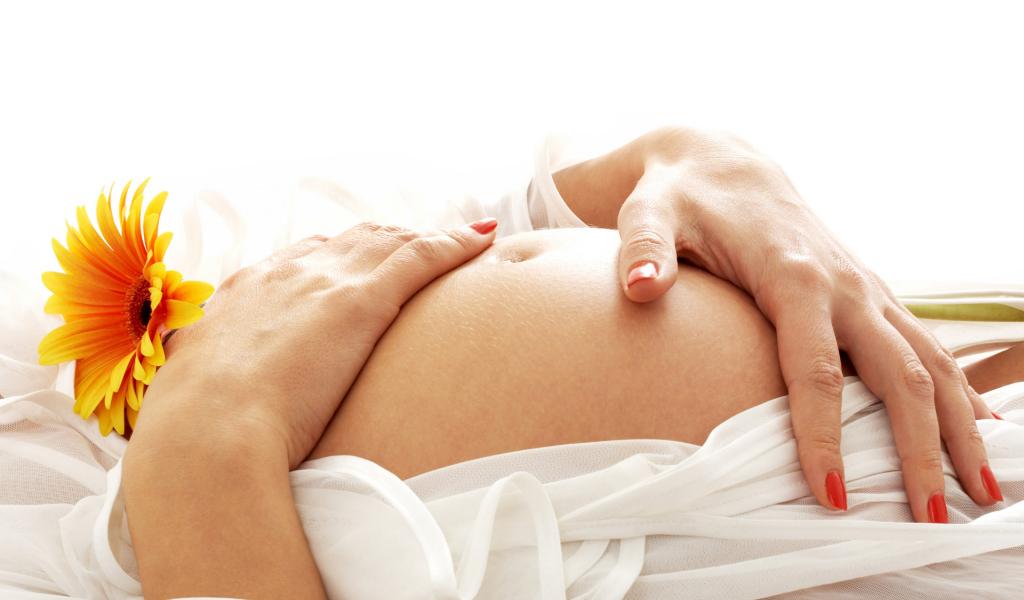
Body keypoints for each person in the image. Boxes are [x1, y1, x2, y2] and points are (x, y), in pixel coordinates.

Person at [120, 127, 1014, 598]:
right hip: (181, 381)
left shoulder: (202, 443)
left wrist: (203, 451)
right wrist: (697, 163)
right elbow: (510, 225)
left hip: (194, 505)